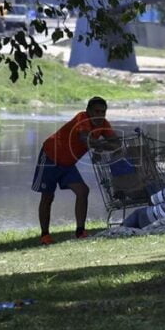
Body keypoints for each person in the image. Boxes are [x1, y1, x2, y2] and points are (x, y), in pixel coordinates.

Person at [31, 96, 118, 244]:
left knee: (83, 191)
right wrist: (101, 146)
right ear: (88, 111)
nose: (99, 115)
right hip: (50, 156)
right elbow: (85, 139)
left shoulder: (103, 124)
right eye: (96, 111)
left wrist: (99, 146)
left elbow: (116, 143)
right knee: (47, 196)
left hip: (68, 163)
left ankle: (80, 231)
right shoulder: (81, 118)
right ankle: (45, 235)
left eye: (103, 112)